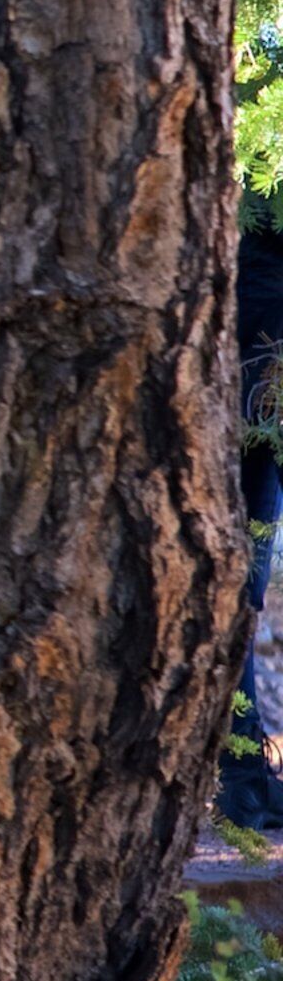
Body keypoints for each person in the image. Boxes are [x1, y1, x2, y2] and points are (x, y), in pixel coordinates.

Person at [222, 222, 283, 834]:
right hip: (260, 352)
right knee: (237, 580)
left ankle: (242, 780)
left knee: (238, 581)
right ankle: (240, 779)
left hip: (251, 346)